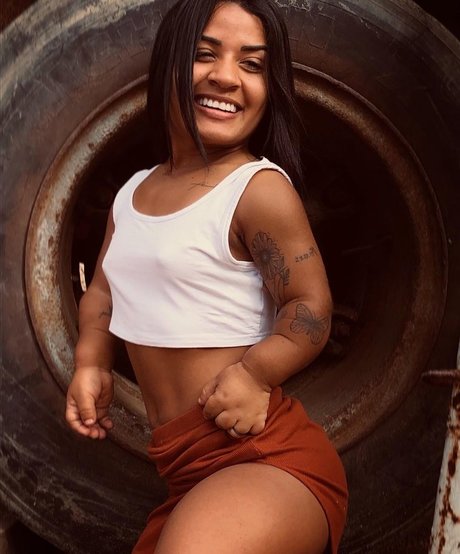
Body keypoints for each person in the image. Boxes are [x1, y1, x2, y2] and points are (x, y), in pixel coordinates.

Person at [65, 0, 348, 552]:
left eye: (252, 64)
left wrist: (255, 375)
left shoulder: (257, 189)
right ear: (167, 62)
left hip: (265, 459)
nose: (226, 76)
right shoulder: (132, 193)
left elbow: (310, 307)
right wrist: (91, 362)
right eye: (204, 54)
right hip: (187, 477)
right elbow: (102, 290)